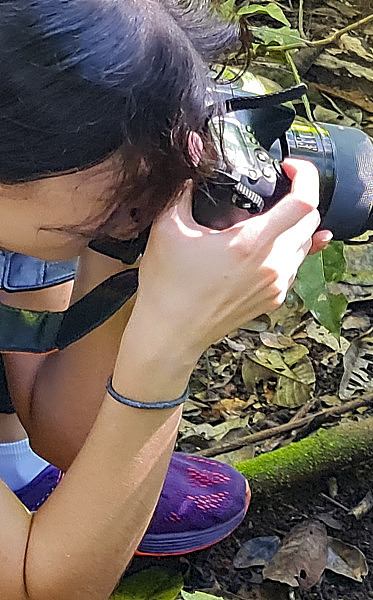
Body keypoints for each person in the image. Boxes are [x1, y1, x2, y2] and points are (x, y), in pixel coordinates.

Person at [0, 1, 330, 599]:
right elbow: (36, 589)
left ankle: (14, 472)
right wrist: (168, 340)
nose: (150, 182)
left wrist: (133, 249)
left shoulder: (29, 208)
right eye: (130, 169)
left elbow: (58, 425)